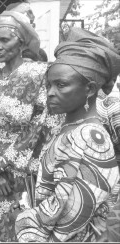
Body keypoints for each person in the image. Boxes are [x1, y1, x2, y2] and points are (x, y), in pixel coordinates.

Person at [15, 27, 120, 242]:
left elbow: (72, 209)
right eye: (49, 85)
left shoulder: (90, 137)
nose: (50, 92)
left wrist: (26, 220)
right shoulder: (70, 128)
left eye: (61, 85)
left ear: (89, 89)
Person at [0, 11, 53, 242]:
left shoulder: (39, 73)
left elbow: (40, 123)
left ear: (20, 42)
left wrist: (4, 163)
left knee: (26, 228)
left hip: (24, 169)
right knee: (0, 229)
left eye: (4, 40)